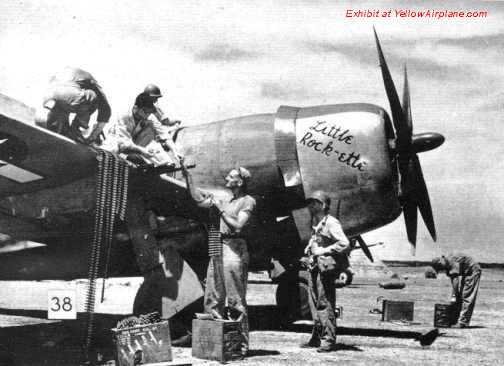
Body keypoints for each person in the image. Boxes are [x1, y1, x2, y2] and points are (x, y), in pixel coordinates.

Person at [181, 163, 256, 357]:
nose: (226, 180)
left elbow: (238, 226)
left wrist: (221, 210)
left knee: (235, 299)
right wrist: (186, 174)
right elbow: (197, 198)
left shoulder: (248, 201)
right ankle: (214, 345)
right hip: (218, 246)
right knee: (213, 296)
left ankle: (239, 347)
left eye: (230, 177)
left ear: (240, 182)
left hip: (235, 248)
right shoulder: (226, 199)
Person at [302, 190, 350, 352]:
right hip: (315, 267)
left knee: (325, 303)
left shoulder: (331, 223)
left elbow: (344, 243)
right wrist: (311, 247)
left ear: (323, 205)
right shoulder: (318, 223)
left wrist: (322, 251)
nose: (310, 205)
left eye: (314, 202)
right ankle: (316, 338)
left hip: (325, 269)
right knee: (314, 304)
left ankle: (328, 340)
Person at [105, 84, 182, 166]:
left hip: (136, 144)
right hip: (119, 144)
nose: (147, 115)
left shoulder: (149, 116)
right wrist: (143, 151)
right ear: (135, 108)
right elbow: (124, 144)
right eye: (145, 112)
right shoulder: (124, 117)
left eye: (149, 113)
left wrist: (175, 151)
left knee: (165, 160)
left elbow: (163, 133)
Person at [35, 67, 111, 144]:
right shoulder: (94, 83)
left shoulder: (68, 73)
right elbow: (106, 110)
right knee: (92, 96)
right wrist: (92, 137)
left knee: (61, 126)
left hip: (49, 95)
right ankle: (76, 130)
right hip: (68, 95)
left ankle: (57, 127)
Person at [431, 253, 482, 328]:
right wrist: (455, 295)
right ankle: (456, 320)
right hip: (466, 273)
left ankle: (463, 322)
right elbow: (453, 281)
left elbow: (456, 280)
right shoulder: (447, 264)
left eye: (440, 268)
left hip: (473, 271)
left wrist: (454, 295)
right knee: (461, 296)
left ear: (440, 262)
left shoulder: (451, 261)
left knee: (467, 296)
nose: (442, 270)